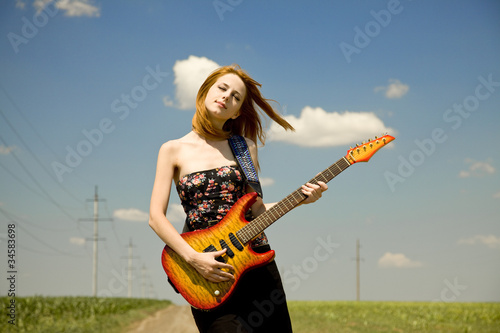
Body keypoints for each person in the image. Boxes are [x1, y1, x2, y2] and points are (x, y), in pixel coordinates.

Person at [149, 64, 328, 332]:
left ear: (237, 111)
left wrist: (301, 199)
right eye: (222, 88)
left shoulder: (245, 148)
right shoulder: (172, 150)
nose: (227, 97)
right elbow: (155, 217)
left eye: (236, 97)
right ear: (205, 91)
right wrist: (194, 259)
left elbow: (255, 211)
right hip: (209, 271)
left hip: (257, 265)